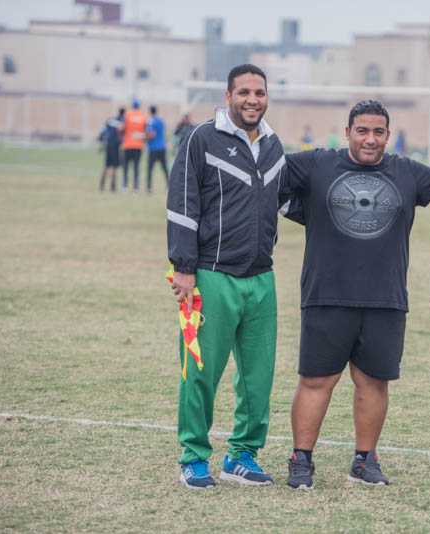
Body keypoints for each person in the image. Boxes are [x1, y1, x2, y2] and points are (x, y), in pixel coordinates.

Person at [281, 100, 430, 490]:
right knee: (316, 381)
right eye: (362, 131)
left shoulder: (407, 171)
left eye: (378, 132)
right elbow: (266, 171)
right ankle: (301, 459)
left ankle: (364, 460)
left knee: (374, 382)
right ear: (347, 133)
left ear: (388, 135)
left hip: (385, 298)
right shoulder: (317, 164)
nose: (370, 139)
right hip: (326, 294)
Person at [167, 64, 290, 490]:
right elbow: (182, 203)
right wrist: (184, 268)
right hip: (211, 276)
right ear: (228, 97)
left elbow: (286, 200)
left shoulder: (273, 145)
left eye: (260, 92)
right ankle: (193, 458)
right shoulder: (201, 139)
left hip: (261, 278)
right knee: (200, 371)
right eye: (244, 92)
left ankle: (242, 455)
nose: (253, 100)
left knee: (258, 377)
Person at [119, 100, 147, 193]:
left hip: (127, 145)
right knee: (136, 167)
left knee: (126, 167)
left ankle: (124, 187)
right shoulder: (143, 116)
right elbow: (146, 131)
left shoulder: (127, 115)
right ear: (139, 106)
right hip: (138, 146)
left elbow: (121, 128)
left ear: (132, 106)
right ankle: (136, 187)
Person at [98, 107, 124, 192]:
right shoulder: (122, 121)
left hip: (108, 145)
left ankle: (101, 185)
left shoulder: (111, 120)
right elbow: (120, 131)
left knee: (106, 165)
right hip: (115, 146)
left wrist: (101, 143)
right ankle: (112, 187)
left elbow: (103, 131)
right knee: (114, 167)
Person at [146, 105, 168, 194]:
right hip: (162, 147)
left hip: (153, 148)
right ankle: (169, 186)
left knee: (150, 168)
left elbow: (152, 134)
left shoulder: (150, 121)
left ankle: (149, 188)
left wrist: (144, 137)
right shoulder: (161, 120)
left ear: (150, 111)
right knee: (165, 168)